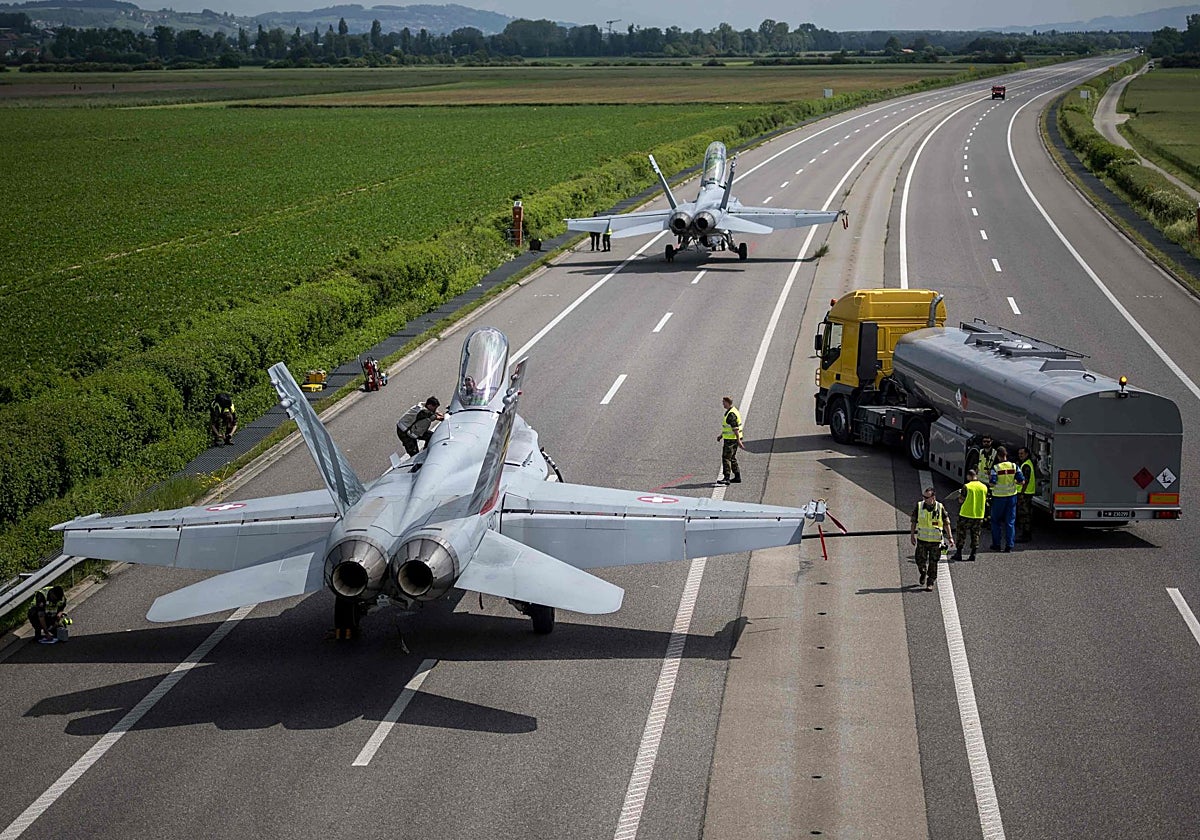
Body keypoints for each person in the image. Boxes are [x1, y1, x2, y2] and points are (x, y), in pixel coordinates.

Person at [910, 487, 954, 591]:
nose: (924, 499)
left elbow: (946, 523)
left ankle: (930, 582)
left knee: (933, 562)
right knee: (919, 560)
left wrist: (950, 537)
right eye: (923, 496)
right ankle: (923, 572)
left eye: (926, 497)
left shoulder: (940, 507)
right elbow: (913, 521)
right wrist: (912, 535)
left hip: (935, 541)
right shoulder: (919, 506)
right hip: (922, 540)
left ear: (933, 497)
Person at [989, 446, 1025, 552]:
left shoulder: (996, 468)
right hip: (1011, 497)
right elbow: (1021, 481)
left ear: (998, 456)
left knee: (996, 521)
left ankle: (997, 544)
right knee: (1010, 521)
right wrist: (1013, 482)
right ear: (1006, 455)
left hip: (999, 497)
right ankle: (1009, 545)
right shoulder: (1014, 466)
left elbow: (992, 482)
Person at [947, 469, 988, 561]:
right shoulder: (984, 487)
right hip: (978, 514)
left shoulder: (967, 486)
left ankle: (959, 553)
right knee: (976, 534)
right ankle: (973, 554)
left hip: (966, 514)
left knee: (961, 534)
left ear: (969, 476)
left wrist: (959, 496)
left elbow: (961, 500)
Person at [716, 396, 744, 485]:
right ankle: (737, 476)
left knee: (726, 458)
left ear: (728, 402)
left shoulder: (731, 414)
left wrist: (738, 440)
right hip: (731, 438)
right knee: (732, 458)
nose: (722, 404)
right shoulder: (733, 411)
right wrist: (721, 435)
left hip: (731, 440)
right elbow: (728, 428)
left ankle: (726, 477)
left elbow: (735, 428)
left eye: (723, 402)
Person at [1016, 446, 1037, 543]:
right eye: (1019, 453)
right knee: (1025, 514)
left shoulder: (1026, 466)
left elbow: (1026, 481)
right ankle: (1025, 534)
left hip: (1025, 494)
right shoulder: (1026, 464)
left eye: (1022, 454)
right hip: (1027, 493)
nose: (1020, 455)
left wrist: (1021, 493)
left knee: (1025, 515)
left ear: (1027, 454)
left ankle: (1026, 535)